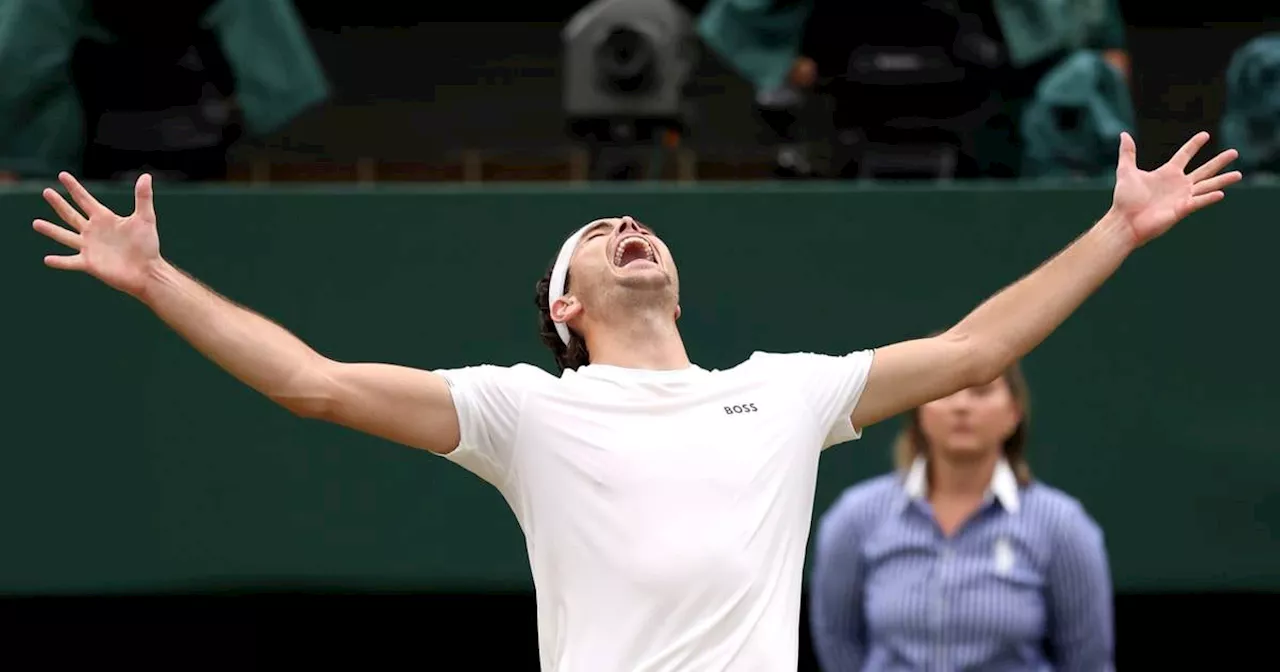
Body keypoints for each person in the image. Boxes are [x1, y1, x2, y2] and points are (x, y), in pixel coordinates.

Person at [30, 131, 1237, 671]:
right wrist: (151, 279)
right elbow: (314, 385)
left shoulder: (787, 394)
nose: (623, 228)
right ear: (564, 311)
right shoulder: (521, 412)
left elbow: (980, 343)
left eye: (635, 221)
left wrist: (1118, 230)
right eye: (593, 235)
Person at [809, 362, 1113, 671]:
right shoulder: (856, 517)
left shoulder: (1061, 525)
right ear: (918, 410)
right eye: (944, 391)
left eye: (982, 392)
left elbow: (1087, 659)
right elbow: (837, 641)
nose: (961, 405)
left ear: (1014, 412)